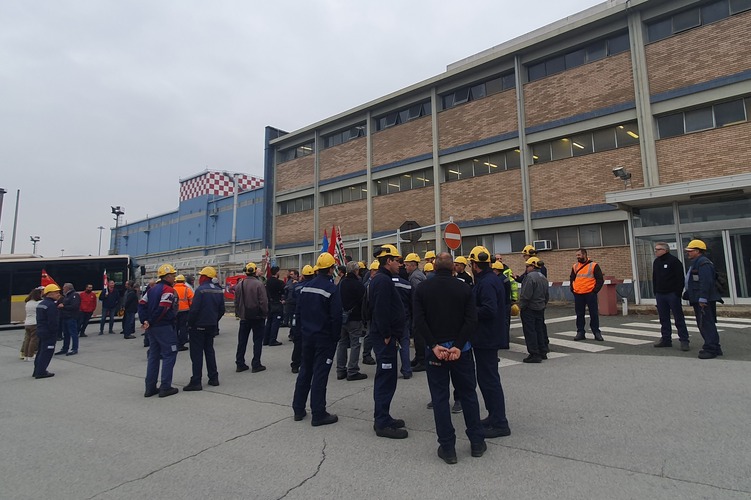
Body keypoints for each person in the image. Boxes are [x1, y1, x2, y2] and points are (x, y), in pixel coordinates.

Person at [413, 252, 486, 463]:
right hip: (460, 352)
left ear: (434, 268)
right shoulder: (464, 288)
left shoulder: (423, 289)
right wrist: (457, 345)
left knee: (440, 398)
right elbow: (471, 320)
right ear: (454, 268)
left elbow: (419, 321)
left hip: (436, 352)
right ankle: (477, 443)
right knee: (468, 395)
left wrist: (434, 345)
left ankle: (448, 448)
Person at [292, 253, 342, 426]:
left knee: (305, 371)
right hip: (323, 339)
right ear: (330, 269)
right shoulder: (331, 289)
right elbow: (336, 317)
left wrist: (299, 333)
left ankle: (298, 409)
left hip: (307, 337)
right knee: (320, 375)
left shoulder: (306, 287)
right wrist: (335, 338)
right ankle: (318, 413)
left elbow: (298, 313)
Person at [467, 245, 511, 439]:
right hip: (487, 337)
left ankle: (500, 423)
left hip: (487, 338)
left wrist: (469, 312)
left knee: (490, 380)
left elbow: (489, 309)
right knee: (487, 379)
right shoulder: (490, 280)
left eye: (471, 264)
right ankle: (494, 416)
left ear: (475, 265)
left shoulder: (486, 283)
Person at [368, 244, 408, 439]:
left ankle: (384, 416)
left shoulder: (381, 279)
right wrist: (386, 334)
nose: (400, 264)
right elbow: (381, 309)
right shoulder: (383, 281)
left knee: (388, 378)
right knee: (385, 379)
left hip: (385, 335)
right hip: (385, 337)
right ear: (388, 261)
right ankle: (382, 422)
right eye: (397, 260)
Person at [138, 264, 180, 398]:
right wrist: (150, 321)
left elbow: (142, 304)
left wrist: (144, 321)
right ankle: (165, 387)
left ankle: (149, 388)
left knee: (154, 357)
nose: (174, 278)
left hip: (152, 328)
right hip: (163, 327)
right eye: (173, 276)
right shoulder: (168, 289)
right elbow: (163, 308)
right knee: (169, 354)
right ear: (167, 276)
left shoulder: (151, 290)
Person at [184, 267, 225, 391]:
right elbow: (221, 310)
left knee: (196, 354)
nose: (199, 278)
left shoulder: (200, 290)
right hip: (211, 325)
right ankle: (213, 377)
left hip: (198, 326)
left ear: (205, 277)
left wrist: (190, 323)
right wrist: (214, 320)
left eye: (201, 276)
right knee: (209, 351)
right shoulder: (218, 290)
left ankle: (196, 381)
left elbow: (194, 310)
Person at [684, 240, 723, 359]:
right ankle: (715, 347)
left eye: (690, 251)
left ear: (697, 251)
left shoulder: (703, 263)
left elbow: (706, 282)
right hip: (699, 298)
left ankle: (710, 348)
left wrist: (702, 298)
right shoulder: (698, 262)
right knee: (706, 323)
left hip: (703, 300)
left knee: (706, 324)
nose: (688, 253)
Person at [652, 242, 690, 351]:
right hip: (660, 294)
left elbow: (680, 278)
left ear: (665, 250)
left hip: (672, 294)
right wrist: (656, 292)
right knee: (663, 318)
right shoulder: (656, 262)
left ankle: (684, 340)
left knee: (678, 317)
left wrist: (677, 293)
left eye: (658, 249)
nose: (656, 251)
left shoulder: (674, 261)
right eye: (655, 249)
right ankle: (666, 339)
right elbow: (655, 278)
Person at [336, 261, 367, 381]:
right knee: (356, 343)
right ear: (356, 271)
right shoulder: (358, 284)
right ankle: (353, 370)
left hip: (342, 317)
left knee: (342, 343)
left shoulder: (342, 283)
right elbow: (364, 301)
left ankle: (340, 370)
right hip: (355, 318)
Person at [234, 262, 269, 373]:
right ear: (254, 271)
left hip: (244, 317)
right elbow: (263, 301)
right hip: (258, 317)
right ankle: (256, 364)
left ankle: (240, 363)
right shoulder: (259, 284)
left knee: (242, 341)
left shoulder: (240, 284)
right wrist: (265, 313)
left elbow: (236, 301)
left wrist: (239, 313)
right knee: (257, 341)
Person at [518, 257, 549, 363]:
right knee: (539, 329)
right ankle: (542, 351)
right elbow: (546, 295)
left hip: (529, 308)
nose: (526, 268)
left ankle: (534, 354)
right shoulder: (543, 277)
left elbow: (526, 295)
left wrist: (521, 306)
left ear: (532, 266)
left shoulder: (530, 278)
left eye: (527, 266)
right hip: (540, 308)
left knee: (530, 331)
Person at [570, 248, 604, 341]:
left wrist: (594, 291)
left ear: (584, 255)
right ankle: (580, 332)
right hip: (578, 294)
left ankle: (596, 332)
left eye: (579, 255)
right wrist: (572, 289)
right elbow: (572, 278)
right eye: (576, 255)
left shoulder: (594, 265)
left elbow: (600, 280)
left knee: (594, 313)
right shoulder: (575, 266)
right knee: (579, 314)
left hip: (590, 293)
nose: (577, 257)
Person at [33, 284, 62, 379]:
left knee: (41, 351)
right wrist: (55, 333)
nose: (59, 294)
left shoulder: (41, 304)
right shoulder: (51, 305)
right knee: (47, 352)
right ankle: (41, 372)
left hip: (41, 330)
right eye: (56, 292)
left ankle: (37, 370)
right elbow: (52, 321)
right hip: (49, 332)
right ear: (49, 294)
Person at [404, 253, 427, 372]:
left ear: (413, 265)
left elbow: (418, 295)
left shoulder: (414, 277)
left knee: (419, 335)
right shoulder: (418, 274)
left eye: (407, 265)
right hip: (420, 309)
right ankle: (418, 358)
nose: (405, 267)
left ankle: (422, 360)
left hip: (419, 310)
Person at [290, 265, 314, 373]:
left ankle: (295, 364)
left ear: (303, 275)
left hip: (298, 314)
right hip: (310, 316)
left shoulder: (297, 287)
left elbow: (294, 298)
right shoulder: (314, 287)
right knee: (310, 341)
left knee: (298, 341)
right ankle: (308, 363)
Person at [360, 259, 380, 366]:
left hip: (375, 313)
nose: (377, 272)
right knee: (369, 335)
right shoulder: (368, 284)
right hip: (370, 314)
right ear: (371, 271)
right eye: (375, 271)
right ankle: (366, 354)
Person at [55, 283, 81, 356]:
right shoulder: (66, 296)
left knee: (73, 334)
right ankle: (65, 348)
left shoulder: (74, 295)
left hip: (71, 317)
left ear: (68, 288)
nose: (63, 289)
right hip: (64, 317)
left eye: (64, 288)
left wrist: (64, 306)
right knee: (66, 334)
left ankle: (74, 349)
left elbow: (75, 306)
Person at [263, 266, 285, 346]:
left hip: (269, 303)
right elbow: (283, 291)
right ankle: (272, 340)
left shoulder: (268, 281)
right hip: (276, 303)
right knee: (275, 322)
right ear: (277, 272)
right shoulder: (278, 282)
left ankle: (265, 340)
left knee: (269, 321)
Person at [21, 288, 43, 361]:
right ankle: (31, 355)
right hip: (34, 323)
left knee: (27, 339)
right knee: (33, 340)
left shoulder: (28, 302)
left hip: (27, 323)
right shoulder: (38, 303)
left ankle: (25, 355)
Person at [174, 274, 194, 351]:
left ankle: (175, 342)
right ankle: (181, 343)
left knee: (175, 327)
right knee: (183, 327)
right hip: (185, 310)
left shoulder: (173, 288)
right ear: (183, 281)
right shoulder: (187, 289)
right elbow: (192, 299)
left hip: (175, 311)